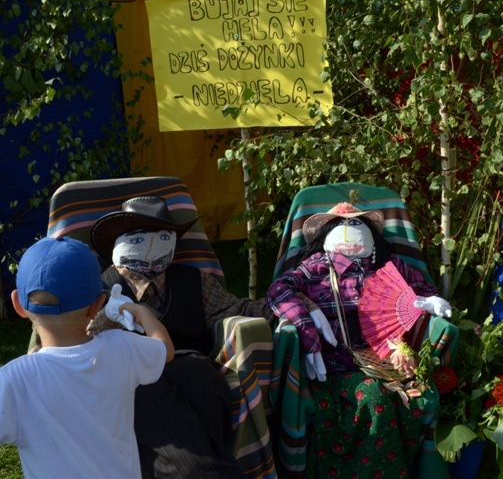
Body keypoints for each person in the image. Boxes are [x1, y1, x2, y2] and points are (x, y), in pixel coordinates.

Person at [88, 195, 270, 479]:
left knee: (204, 384)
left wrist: (288, 299)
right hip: (133, 376)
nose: (150, 244)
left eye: (161, 236)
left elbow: (236, 308)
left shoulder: (192, 281)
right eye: (138, 237)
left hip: (193, 366)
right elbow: (76, 337)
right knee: (147, 396)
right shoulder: (99, 290)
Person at [266, 202, 452, 478]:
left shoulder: (387, 266)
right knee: (372, 399)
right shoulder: (315, 266)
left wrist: (426, 301)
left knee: (402, 401)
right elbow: (279, 289)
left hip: (385, 360)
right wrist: (306, 323)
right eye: (341, 224)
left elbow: (420, 289)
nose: (348, 231)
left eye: (357, 224)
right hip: (331, 363)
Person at [0, 237, 174, 479]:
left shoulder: (13, 380)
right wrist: (142, 312)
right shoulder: (122, 346)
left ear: (18, 305)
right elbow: (164, 349)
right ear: (97, 306)